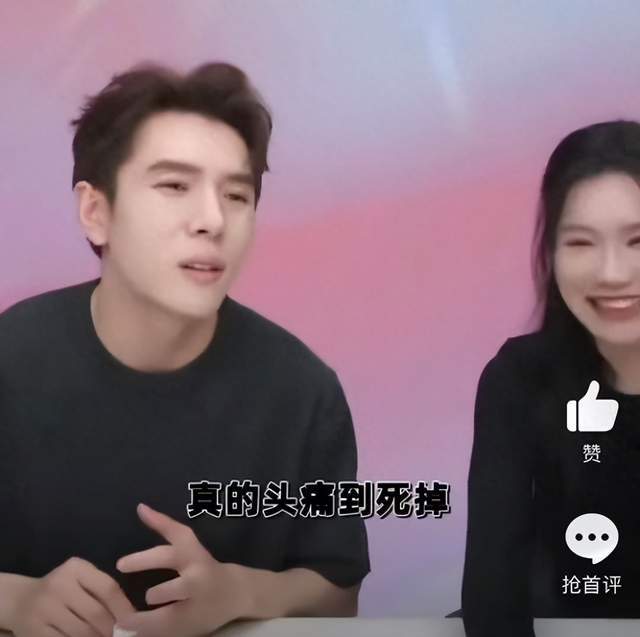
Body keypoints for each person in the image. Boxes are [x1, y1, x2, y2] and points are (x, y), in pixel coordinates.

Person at [0, 61, 369, 637]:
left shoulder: (302, 392)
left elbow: (338, 593)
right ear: (96, 212)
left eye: (236, 195)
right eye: (175, 186)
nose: (212, 220)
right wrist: (17, 601)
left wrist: (237, 593)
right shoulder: (11, 361)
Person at [462, 120, 640, 636]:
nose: (612, 273)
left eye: (637, 240)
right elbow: (493, 597)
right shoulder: (519, 381)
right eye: (581, 243)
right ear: (551, 254)